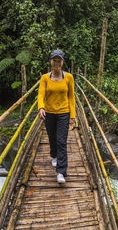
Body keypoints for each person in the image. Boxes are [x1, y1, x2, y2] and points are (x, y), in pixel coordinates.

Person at [38, 49, 76, 183]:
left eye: (59, 60)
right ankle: (54, 155)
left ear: (62, 62)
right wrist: (41, 107)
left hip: (64, 113)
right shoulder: (44, 78)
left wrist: (73, 115)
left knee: (61, 141)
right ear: (51, 61)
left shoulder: (69, 78)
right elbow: (41, 95)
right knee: (52, 137)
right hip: (49, 113)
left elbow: (71, 97)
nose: (57, 63)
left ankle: (61, 172)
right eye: (54, 60)